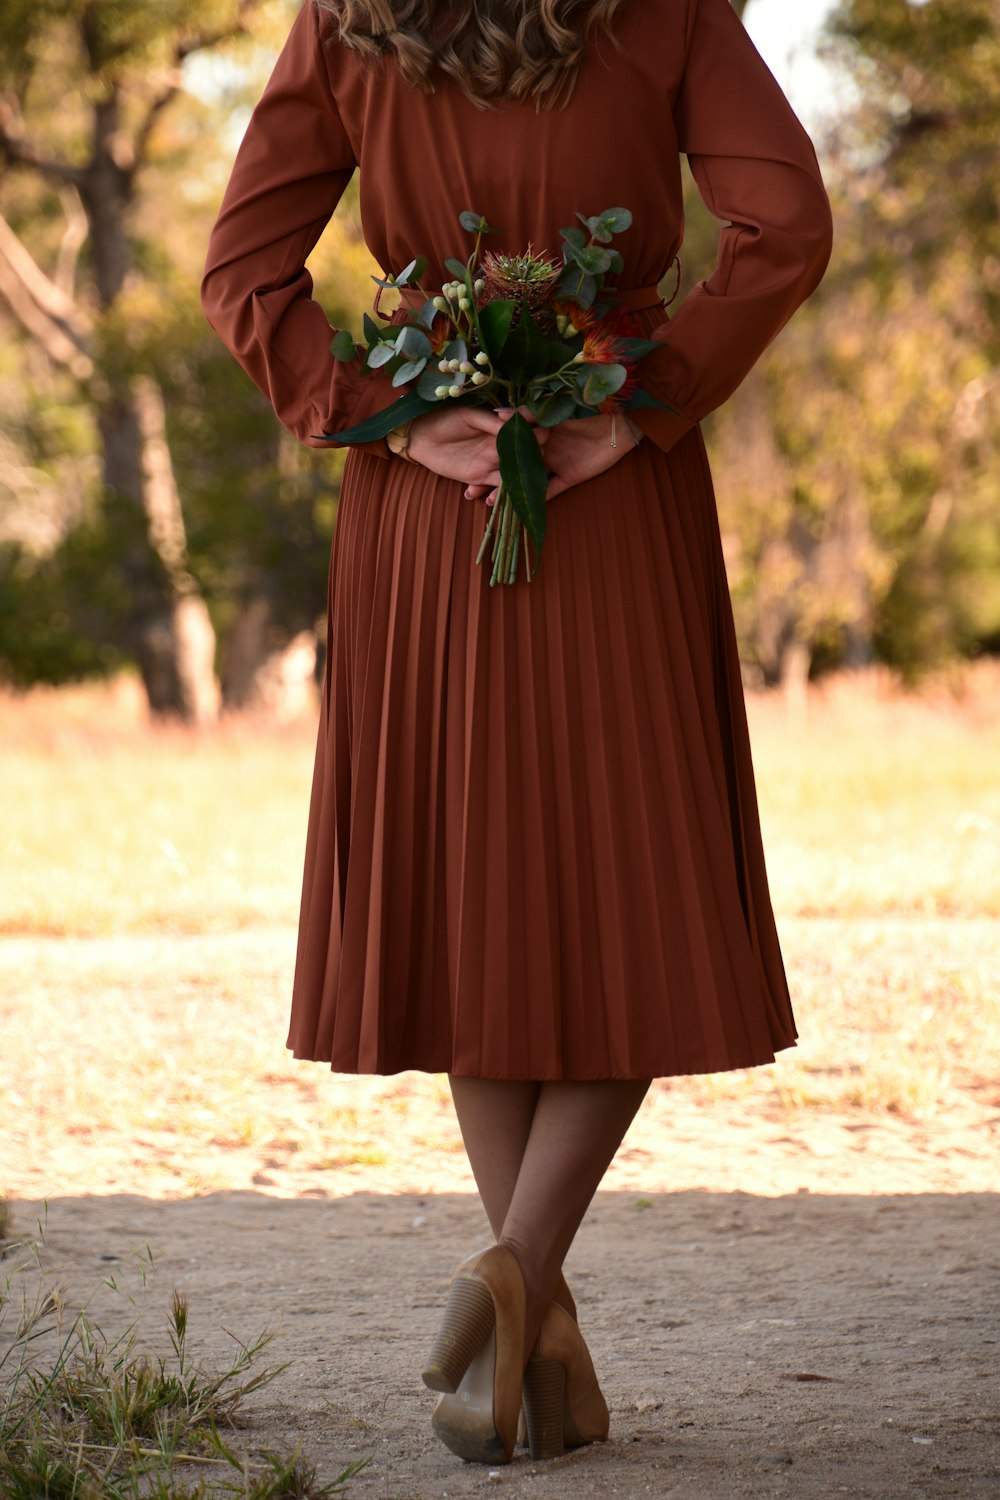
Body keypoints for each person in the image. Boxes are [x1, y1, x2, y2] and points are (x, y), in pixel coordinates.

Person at [201, 0, 833, 1470]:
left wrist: (379, 408)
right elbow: (784, 224)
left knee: (476, 903)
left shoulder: (348, 21)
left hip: (426, 498)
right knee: (640, 897)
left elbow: (244, 267)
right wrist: (645, 399)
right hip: (610, 483)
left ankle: (523, 1322)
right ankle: (520, 1283)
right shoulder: (663, 12)